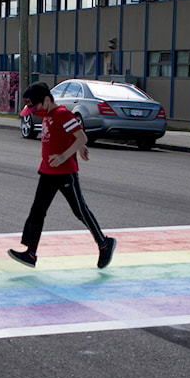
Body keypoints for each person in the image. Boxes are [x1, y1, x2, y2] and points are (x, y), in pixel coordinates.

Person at [8, 82, 117, 269]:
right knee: (37, 212)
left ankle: (104, 244)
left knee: (80, 211)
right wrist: (79, 147)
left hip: (65, 173)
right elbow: (71, 137)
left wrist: (65, 155)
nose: (35, 112)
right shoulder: (49, 116)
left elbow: (81, 136)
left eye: (37, 106)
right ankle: (31, 253)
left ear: (47, 99)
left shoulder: (62, 114)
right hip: (47, 171)